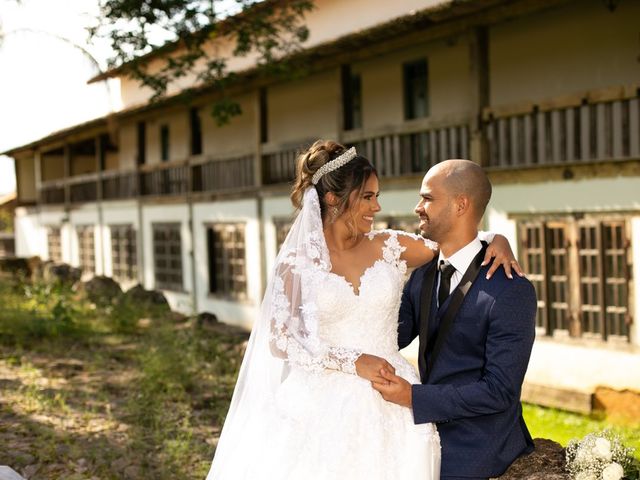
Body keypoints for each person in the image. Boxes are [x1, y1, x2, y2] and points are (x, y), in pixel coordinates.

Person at [206, 141, 522, 480]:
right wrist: (351, 361)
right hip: (324, 396)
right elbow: (280, 341)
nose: (377, 206)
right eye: (368, 196)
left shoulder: (390, 246)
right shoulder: (297, 264)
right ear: (332, 199)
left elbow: (455, 239)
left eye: (377, 195)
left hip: (392, 389)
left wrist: (496, 238)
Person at [373, 159, 537, 479]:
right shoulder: (422, 272)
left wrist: (413, 396)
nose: (418, 207)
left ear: (461, 204)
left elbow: (499, 391)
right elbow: (391, 334)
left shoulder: (511, 290)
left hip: (478, 442)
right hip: (421, 429)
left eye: (428, 198)